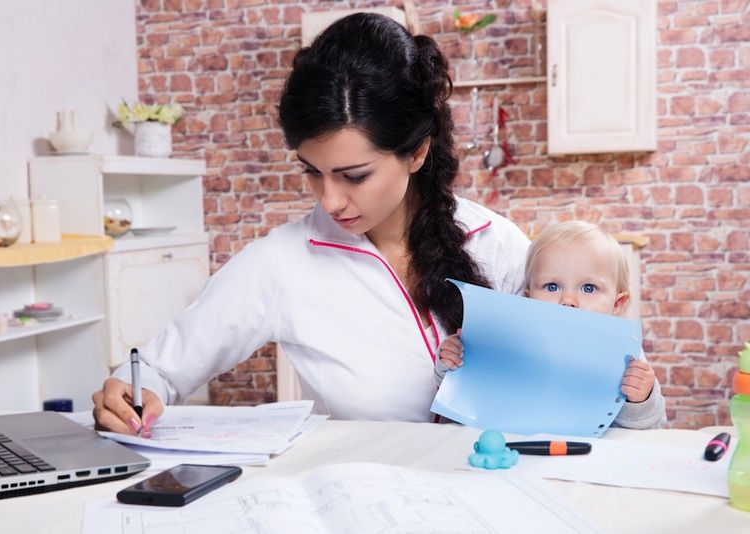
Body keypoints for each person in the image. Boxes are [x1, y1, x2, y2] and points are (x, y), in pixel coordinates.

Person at [92, 13, 530, 434]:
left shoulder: (498, 244)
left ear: (417, 152)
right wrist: (132, 392)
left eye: (355, 176)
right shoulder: (282, 261)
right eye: (312, 172)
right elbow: (160, 369)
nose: (331, 201)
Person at [435, 220, 666, 429]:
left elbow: (652, 426)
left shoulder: (625, 353)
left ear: (618, 303)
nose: (568, 301)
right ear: (528, 297)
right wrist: (452, 366)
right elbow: (470, 403)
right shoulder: (515, 342)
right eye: (552, 286)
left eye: (589, 288)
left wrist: (641, 398)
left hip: (593, 458)